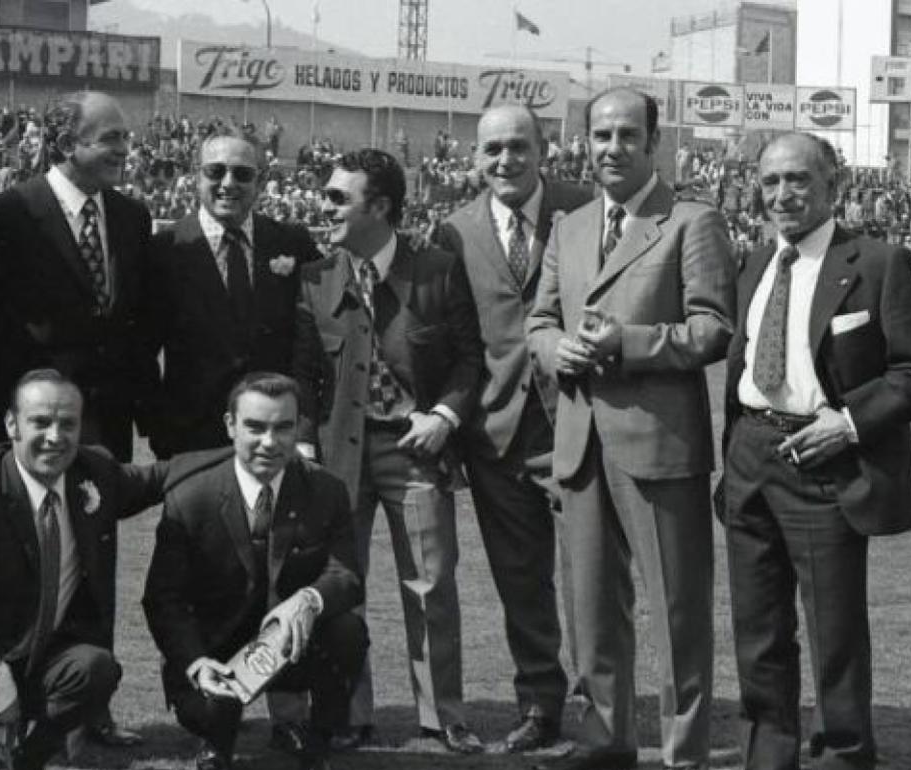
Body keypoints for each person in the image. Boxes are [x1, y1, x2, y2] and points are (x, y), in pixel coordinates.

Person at [525, 87, 736, 770]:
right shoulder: (571, 225)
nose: (612, 148)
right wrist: (555, 350)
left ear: (655, 143)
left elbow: (712, 329)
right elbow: (539, 321)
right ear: (584, 142)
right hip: (581, 442)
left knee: (677, 612)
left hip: (658, 443)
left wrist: (627, 341)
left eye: (626, 136)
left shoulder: (691, 221)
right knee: (591, 608)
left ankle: (684, 750)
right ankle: (606, 740)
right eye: (600, 136)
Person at [721, 132, 911, 770]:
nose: (782, 194)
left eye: (798, 180)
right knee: (758, 630)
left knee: (834, 631)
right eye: (770, 182)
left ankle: (843, 754)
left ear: (832, 185)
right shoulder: (755, 264)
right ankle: (768, 754)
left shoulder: (879, 261)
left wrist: (848, 422)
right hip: (750, 458)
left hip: (825, 462)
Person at [0, 370, 198, 770]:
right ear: (12, 423)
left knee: (95, 669)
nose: (55, 436)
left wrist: (246, 451)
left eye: (68, 423)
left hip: (33, 662)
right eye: (40, 422)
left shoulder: (93, 471)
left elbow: (161, 476)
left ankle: (22, 760)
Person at [292, 148, 485, 753]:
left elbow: (470, 359)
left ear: (379, 206)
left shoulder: (439, 270)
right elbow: (300, 373)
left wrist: (446, 415)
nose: (322, 207)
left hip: (414, 448)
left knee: (430, 584)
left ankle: (443, 715)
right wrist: (302, 443)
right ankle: (349, 713)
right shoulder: (315, 277)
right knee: (341, 586)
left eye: (336, 197)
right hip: (335, 458)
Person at [432, 104, 592, 752]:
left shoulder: (584, 209)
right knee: (522, 582)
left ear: (543, 149)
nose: (506, 160)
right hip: (498, 434)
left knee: (593, 578)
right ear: (475, 157)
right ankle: (540, 706)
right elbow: (451, 339)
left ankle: (601, 703)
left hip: (580, 423)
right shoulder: (454, 231)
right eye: (492, 149)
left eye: (518, 146)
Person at [142, 372, 367, 770]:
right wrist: (195, 661)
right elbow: (163, 599)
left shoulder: (326, 489)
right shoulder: (191, 496)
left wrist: (309, 599)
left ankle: (318, 739)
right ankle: (215, 738)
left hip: (288, 646)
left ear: (299, 427)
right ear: (230, 426)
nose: (269, 441)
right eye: (255, 427)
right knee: (210, 717)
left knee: (347, 631)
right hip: (215, 651)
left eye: (283, 427)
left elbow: (346, 576)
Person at [0, 91, 160, 469]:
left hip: (105, 435)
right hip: (22, 435)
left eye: (125, 138)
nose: (124, 150)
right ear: (67, 144)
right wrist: (20, 412)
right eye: (111, 138)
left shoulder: (132, 218)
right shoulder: (0, 219)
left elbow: (138, 324)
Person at [148, 132, 321, 458]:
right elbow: (142, 352)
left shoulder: (291, 242)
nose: (228, 183)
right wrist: (159, 427)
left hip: (274, 434)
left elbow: (323, 318)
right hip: (192, 439)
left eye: (242, 174)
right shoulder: (164, 249)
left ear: (261, 180)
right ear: (196, 175)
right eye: (215, 171)